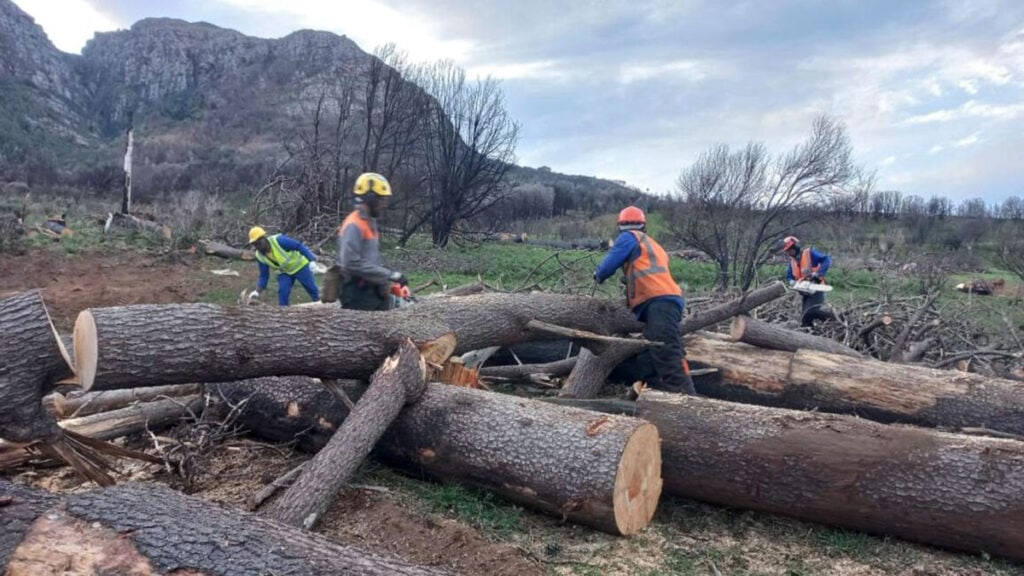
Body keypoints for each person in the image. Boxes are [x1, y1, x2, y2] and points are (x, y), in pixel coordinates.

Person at [593, 206, 695, 395]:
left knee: (667, 353)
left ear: (621, 225)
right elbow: (647, 270)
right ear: (643, 225)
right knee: (650, 354)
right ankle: (654, 397)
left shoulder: (627, 238)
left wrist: (598, 274)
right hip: (667, 300)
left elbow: (608, 265)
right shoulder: (652, 244)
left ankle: (689, 403)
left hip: (659, 302)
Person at [335, 172, 406, 310]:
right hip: (358, 293)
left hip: (371, 290)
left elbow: (370, 259)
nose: (384, 204)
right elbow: (350, 262)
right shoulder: (354, 225)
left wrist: (385, 278)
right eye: (381, 199)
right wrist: (389, 274)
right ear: (371, 198)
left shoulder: (369, 222)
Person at [247, 226, 321, 306]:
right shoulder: (260, 256)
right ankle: (284, 314)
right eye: (255, 245)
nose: (257, 247)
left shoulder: (279, 241)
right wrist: (257, 291)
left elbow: (298, 246)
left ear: (264, 238)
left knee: (312, 289)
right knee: (283, 293)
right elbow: (264, 275)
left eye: (258, 243)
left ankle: (323, 308)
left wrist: (311, 260)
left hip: (300, 267)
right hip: (285, 272)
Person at [781, 235, 834, 327]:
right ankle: (809, 331)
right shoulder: (792, 262)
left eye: (790, 249)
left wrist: (818, 273)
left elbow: (827, 259)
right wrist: (792, 282)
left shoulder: (809, 254)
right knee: (805, 317)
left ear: (795, 247)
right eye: (788, 250)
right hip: (804, 291)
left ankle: (833, 318)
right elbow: (789, 276)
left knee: (811, 312)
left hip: (816, 288)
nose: (789, 252)